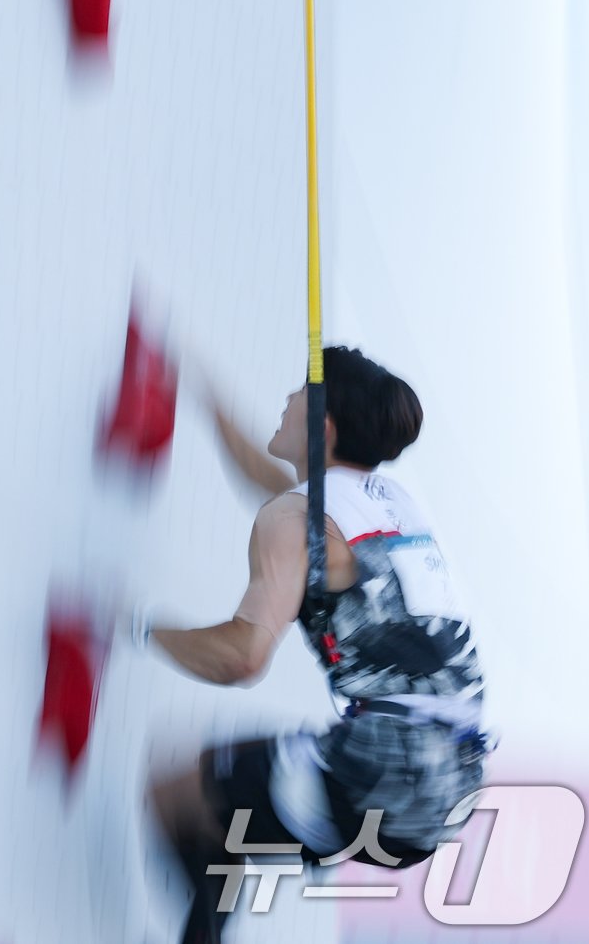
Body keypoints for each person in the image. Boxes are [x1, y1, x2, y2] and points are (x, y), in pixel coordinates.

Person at [138, 346, 487, 944]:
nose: (285, 400)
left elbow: (243, 656)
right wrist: (205, 397)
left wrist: (136, 625)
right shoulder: (390, 503)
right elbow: (282, 495)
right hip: (449, 781)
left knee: (178, 794)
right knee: (218, 804)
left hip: (381, 765)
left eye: (297, 393)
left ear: (321, 427)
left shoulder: (295, 519)